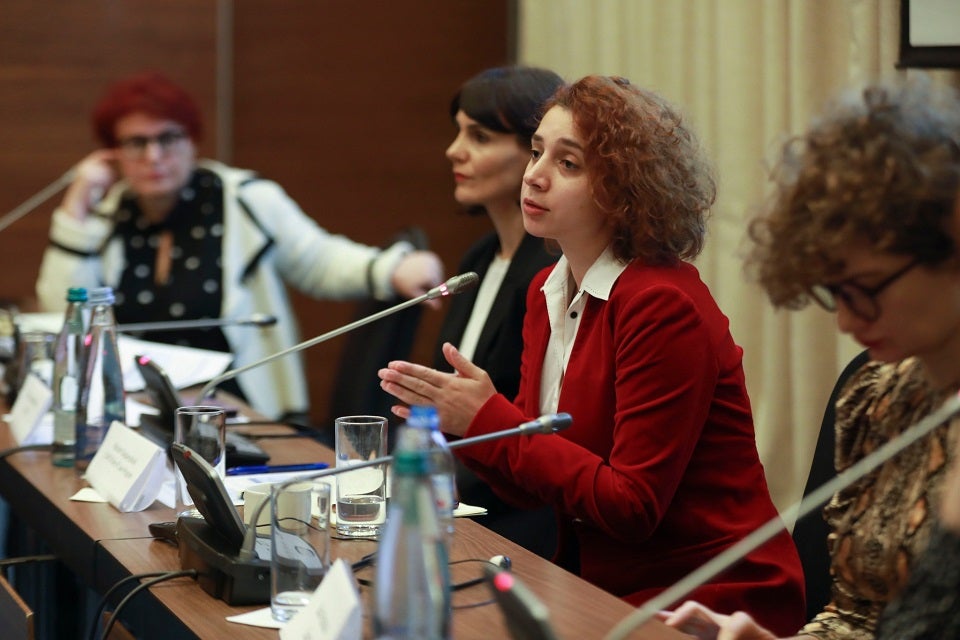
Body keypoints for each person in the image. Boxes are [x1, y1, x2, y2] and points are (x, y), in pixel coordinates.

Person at [378, 75, 806, 635]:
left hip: (709, 592)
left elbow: (632, 506)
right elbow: (530, 481)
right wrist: (463, 425)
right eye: (536, 153)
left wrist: (492, 419)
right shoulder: (546, 291)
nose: (534, 175)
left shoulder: (661, 303)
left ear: (624, 190)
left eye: (568, 164)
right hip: (598, 581)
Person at [658, 77, 960, 639]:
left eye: (865, 289)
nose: (846, 322)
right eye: (834, 294)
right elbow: (853, 617)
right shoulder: (875, 394)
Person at [35, 71, 443, 421]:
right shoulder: (107, 215)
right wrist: (76, 207)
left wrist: (393, 267)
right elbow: (63, 313)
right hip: (136, 412)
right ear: (113, 154)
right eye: (136, 143)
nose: (154, 156)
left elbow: (317, 260)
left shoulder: (244, 197)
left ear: (193, 141)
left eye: (169, 138)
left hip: (242, 411)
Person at [437, 65, 563, 557]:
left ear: (534, 154)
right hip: (456, 500)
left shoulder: (550, 274)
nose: (454, 150)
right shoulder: (478, 259)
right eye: (458, 131)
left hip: (516, 523)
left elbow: (531, 428)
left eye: (480, 136)